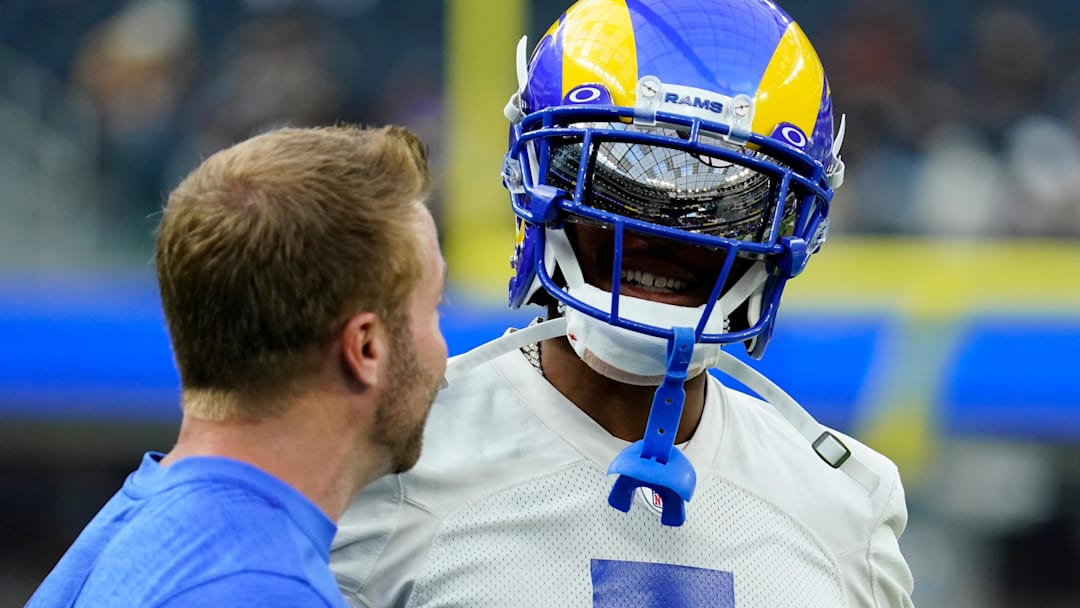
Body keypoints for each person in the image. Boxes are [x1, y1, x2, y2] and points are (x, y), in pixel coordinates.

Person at [331, 1, 915, 606]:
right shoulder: (387, 461)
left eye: (723, 206)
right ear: (541, 187)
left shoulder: (847, 509)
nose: (660, 238)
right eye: (617, 188)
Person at [28, 124, 448, 607]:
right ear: (365, 348)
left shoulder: (137, 535)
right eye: (433, 308)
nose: (443, 354)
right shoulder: (259, 589)